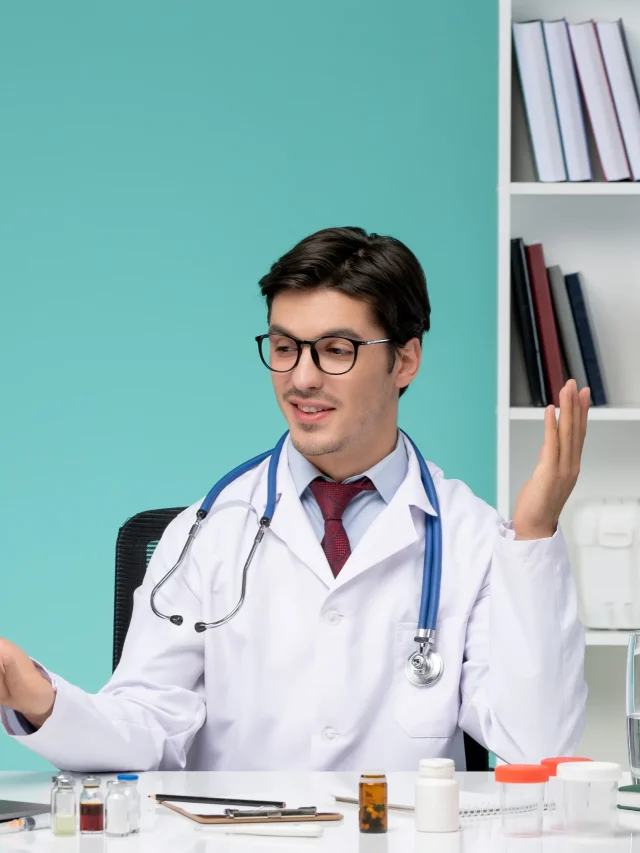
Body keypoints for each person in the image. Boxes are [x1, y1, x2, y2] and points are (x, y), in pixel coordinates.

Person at [0, 227, 589, 772]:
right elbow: (147, 725)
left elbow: (535, 743)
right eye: (285, 348)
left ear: (403, 361)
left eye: (335, 350)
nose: (301, 379)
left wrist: (535, 532)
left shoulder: (471, 534)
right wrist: (40, 699)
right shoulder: (209, 529)